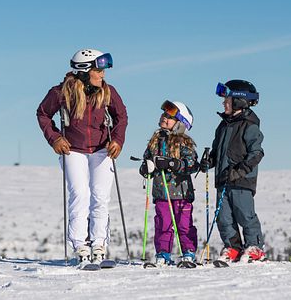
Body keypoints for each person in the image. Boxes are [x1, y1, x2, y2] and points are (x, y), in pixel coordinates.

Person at [36, 48, 128, 265]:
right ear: (84, 71)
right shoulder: (61, 92)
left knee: (100, 196)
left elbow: (121, 117)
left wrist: (117, 140)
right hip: (73, 150)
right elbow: (43, 114)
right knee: (80, 194)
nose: (103, 74)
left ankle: (99, 245)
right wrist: (55, 139)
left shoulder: (108, 91)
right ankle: (80, 246)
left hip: (102, 150)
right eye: (98, 70)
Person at [202, 79, 266, 263]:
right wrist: (209, 161)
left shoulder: (249, 125)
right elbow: (216, 151)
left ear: (239, 101)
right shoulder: (223, 125)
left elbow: (257, 153)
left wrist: (240, 171)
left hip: (241, 181)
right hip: (223, 179)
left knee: (244, 214)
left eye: (227, 100)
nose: (224, 103)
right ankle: (233, 247)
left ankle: (254, 247)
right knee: (223, 217)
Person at [139, 100, 199, 266]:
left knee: (184, 224)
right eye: (164, 114)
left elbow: (192, 163)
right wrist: (146, 168)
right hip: (162, 193)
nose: (165, 118)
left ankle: (188, 252)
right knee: (163, 224)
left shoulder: (183, 142)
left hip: (181, 192)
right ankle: (163, 253)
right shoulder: (155, 141)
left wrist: (174, 164)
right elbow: (146, 160)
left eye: (170, 117)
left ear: (180, 123)